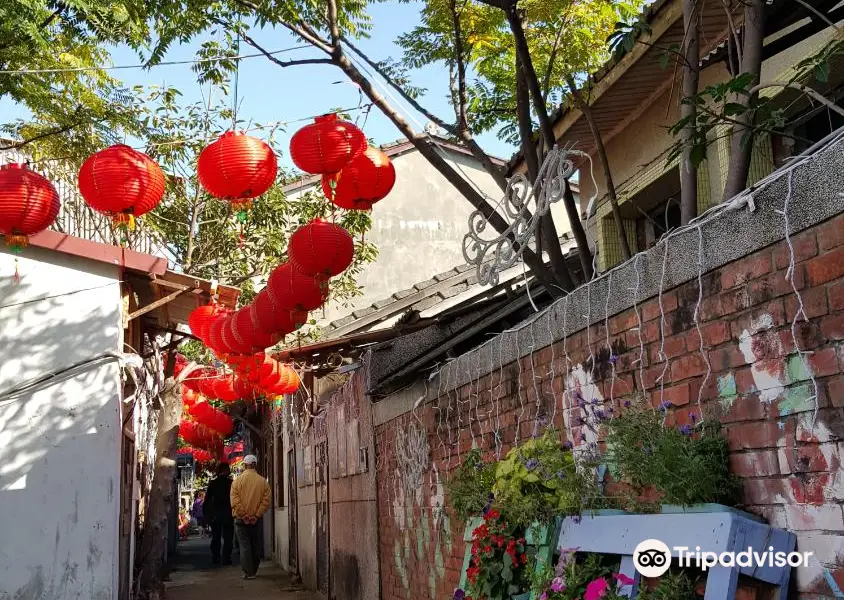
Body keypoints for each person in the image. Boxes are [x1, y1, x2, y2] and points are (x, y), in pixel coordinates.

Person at [230, 454, 270, 580]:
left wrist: (244, 515)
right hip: (256, 520)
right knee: (256, 545)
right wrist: (256, 515)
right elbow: (266, 501)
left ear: (245, 465)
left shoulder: (237, 482)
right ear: (255, 465)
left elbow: (235, 501)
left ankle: (248, 572)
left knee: (245, 546)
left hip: (241, 520)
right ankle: (254, 570)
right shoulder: (263, 482)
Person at [204, 462, 234, 565]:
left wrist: (208, 516)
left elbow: (207, 501)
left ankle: (216, 557)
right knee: (228, 537)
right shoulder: (231, 483)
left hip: (216, 515)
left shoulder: (213, 483)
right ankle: (226, 558)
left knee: (216, 537)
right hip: (229, 514)